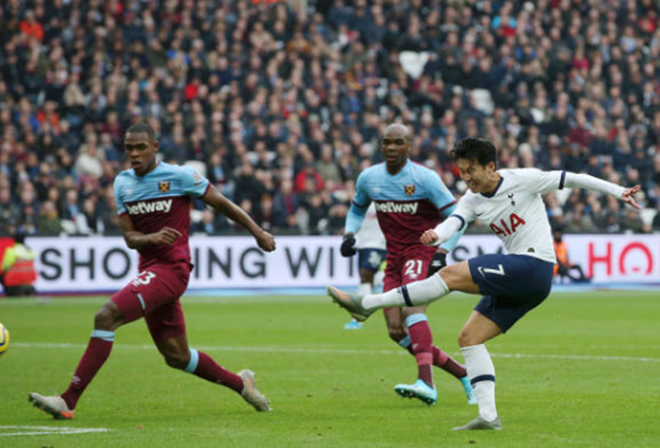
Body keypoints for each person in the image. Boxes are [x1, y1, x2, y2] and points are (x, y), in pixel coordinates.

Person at [328, 137, 640, 430]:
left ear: (490, 167)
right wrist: (438, 234)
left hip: (535, 265)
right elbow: (455, 221)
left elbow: (573, 178)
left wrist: (618, 191)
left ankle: (366, 305)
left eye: (471, 170)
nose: (466, 177)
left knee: (449, 276)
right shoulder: (472, 198)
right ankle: (488, 416)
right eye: (461, 171)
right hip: (525, 282)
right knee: (469, 338)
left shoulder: (523, 179)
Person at [29, 123, 277, 419]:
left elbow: (222, 204)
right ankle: (242, 384)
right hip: (150, 269)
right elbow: (130, 238)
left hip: (173, 269)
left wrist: (257, 231)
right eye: (128, 148)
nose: (134, 154)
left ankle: (68, 400)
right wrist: (151, 238)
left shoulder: (180, 176)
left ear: (155, 147)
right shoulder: (122, 183)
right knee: (177, 356)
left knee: (105, 316)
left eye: (140, 147)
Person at [337, 123, 475, 406]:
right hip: (394, 258)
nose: (391, 148)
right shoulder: (369, 178)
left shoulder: (424, 179)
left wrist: (442, 251)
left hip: (421, 252)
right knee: (395, 330)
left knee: (413, 307)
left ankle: (426, 383)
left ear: (409, 146)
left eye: (398, 142)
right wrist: (350, 233)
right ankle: (464, 375)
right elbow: (357, 208)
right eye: (386, 142)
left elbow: (458, 216)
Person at [344, 203, 387, 330]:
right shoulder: (361, 200)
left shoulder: (383, 200)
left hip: (379, 244)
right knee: (367, 280)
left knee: (365, 274)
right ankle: (360, 314)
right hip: (362, 244)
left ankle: (359, 315)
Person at [0, 231, 38, 297]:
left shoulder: (12, 251)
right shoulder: (29, 251)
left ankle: (10, 292)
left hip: (14, 279)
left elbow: (5, 266)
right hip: (29, 278)